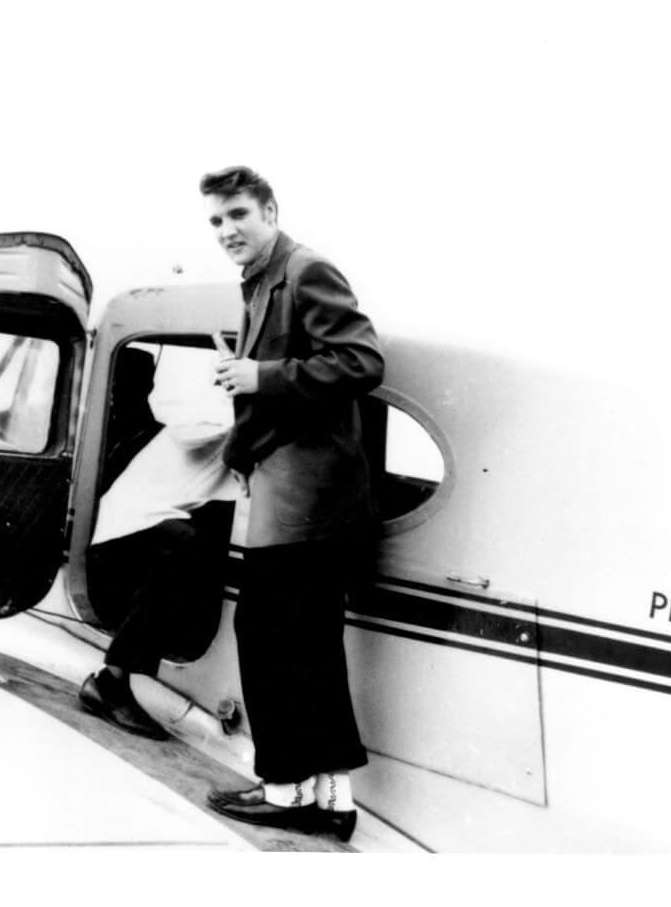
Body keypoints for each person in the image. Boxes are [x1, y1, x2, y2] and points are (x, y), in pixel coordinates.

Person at [200, 166, 385, 842]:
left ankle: (284, 792)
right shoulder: (261, 282)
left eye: (238, 215)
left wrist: (259, 375)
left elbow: (363, 362)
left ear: (270, 210)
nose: (227, 231)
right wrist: (240, 450)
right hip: (296, 491)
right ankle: (333, 798)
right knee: (308, 644)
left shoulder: (305, 270)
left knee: (266, 633)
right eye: (216, 221)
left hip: (309, 501)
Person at [78, 347, 239, 740]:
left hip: (143, 529)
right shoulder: (211, 416)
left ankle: (115, 679)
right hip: (119, 535)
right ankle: (110, 683)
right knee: (186, 546)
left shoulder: (232, 420)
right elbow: (196, 429)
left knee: (191, 548)